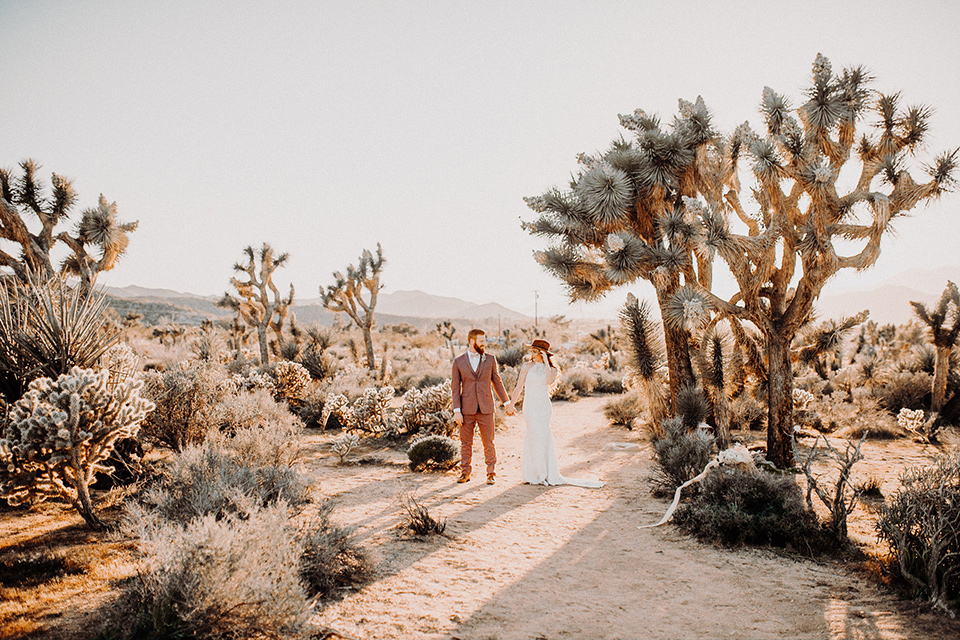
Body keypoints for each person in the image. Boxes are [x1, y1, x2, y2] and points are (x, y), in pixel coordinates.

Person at [508, 339, 604, 488]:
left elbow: (548, 381)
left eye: (535, 351)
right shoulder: (527, 367)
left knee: (542, 437)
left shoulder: (552, 370)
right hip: (530, 407)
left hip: (543, 407)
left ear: (543, 353)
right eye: (531, 350)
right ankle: (533, 474)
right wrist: (511, 404)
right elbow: (519, 387)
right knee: (533, 436)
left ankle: (544, 474)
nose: (532, 354)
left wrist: (546, 362)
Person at [451, 329, 514, 485]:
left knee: (489, 442)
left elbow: (497, 382)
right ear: (472, 341)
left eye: (485, 341)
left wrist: (506, 403)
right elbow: (455, 388)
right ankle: (465, 472)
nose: (484, 344)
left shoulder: (490, 359)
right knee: (466, 442)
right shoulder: (458, 362)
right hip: (466, 409)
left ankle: (491, 473)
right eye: (481, 341)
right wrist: (457, 410)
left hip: (486, 408)